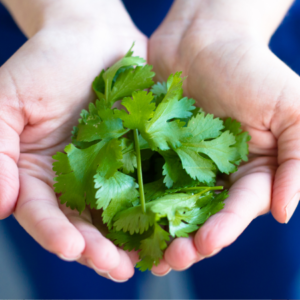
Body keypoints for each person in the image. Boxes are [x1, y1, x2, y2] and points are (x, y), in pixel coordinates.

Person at [0, 0, 299, 283]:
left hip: (253, 17)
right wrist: (68, 18)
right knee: (73, 271)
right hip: (39, 18)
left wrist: (229, 22)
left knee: (253, 269)